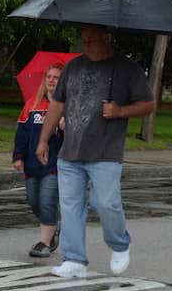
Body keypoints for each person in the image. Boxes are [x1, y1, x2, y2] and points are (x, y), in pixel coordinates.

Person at [36, 26, 155, 278]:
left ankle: (120, 243)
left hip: (105, 152)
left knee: (105, 203)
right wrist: (43, 139)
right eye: (84, 40)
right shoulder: (72, 67)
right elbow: (57, 104)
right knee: (70, 207)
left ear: (106, 38)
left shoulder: (126, 68)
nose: (87, 45)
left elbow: (148, 104)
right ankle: (74, 260)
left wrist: (120, 111)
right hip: (70, 152)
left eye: (92, 40)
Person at [13, 63, 64, 258]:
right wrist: (18, 156)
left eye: (56, 77)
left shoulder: (67, 107)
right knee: (33, 200)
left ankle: (44, 242)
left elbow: (77, 139)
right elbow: (22, 134)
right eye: (48, 76)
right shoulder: (32, 104)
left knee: (46, 201)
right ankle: (52, 224)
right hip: (32, 164)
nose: (51, 80)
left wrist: (65, 127)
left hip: (55, 164)